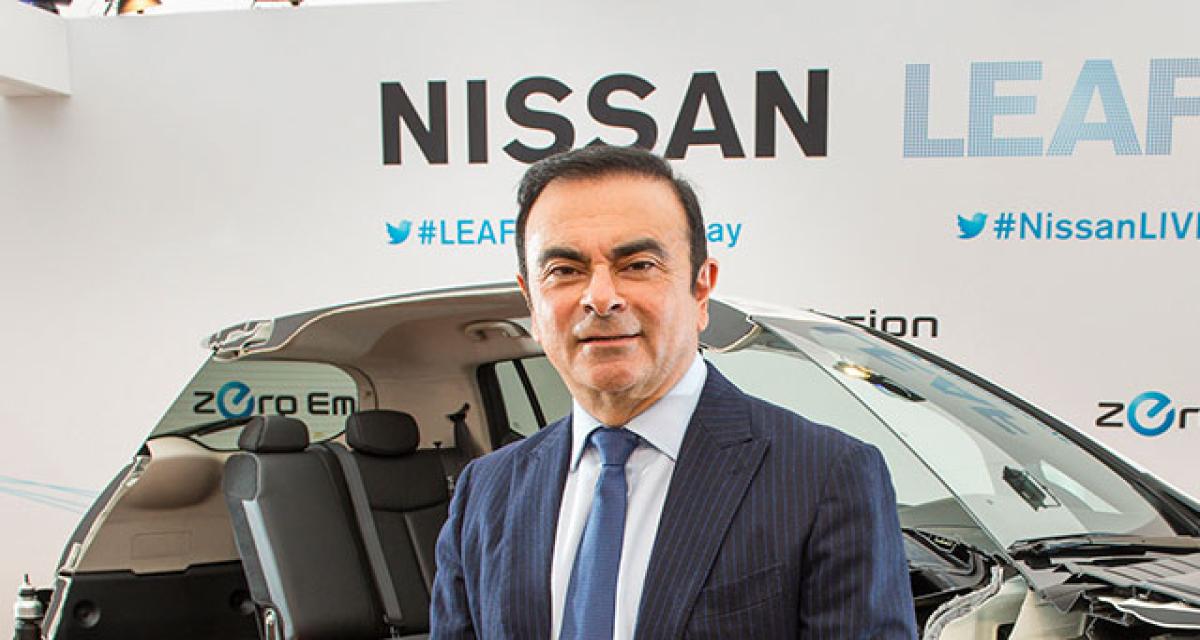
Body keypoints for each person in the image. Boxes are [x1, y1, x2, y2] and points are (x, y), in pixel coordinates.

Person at [430, 145, 916, 639]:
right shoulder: (485, 493)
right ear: (531, 303)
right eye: (565, 271)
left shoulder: (824, 477)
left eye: (637, 265)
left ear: (701, 289)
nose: (600, 297)